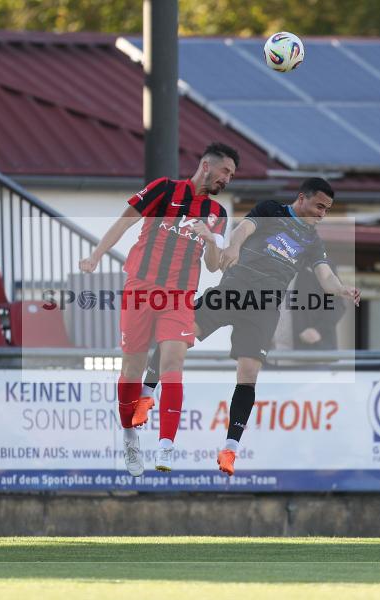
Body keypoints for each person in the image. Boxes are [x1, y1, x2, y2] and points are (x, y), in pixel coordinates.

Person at [143, 178, 360, 476]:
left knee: (248, 375)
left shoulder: (312, 241)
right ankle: (145, 392)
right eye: (319, 206)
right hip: (233, 291)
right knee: (176, 336)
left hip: (264, 308)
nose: (322, 214)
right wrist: (233, 247)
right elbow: (243, 229)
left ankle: (230, 448)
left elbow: (326, 278)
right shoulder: (271, 210)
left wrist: (342, 289)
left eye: (327, 209)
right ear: (302, 198)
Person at [79, 142, 236, 476]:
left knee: (173, 361)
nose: (228, 179)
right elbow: (123, 223)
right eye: (225, 171)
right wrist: (95, 255)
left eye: (232, 175)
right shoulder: (164, 189)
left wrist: (210, 239)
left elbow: (213, 265)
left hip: (179, 295)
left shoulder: (218, 215)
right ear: (206, 166)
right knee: (132, 368)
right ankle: (129, 434)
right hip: (141, 287)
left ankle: (166, 445)